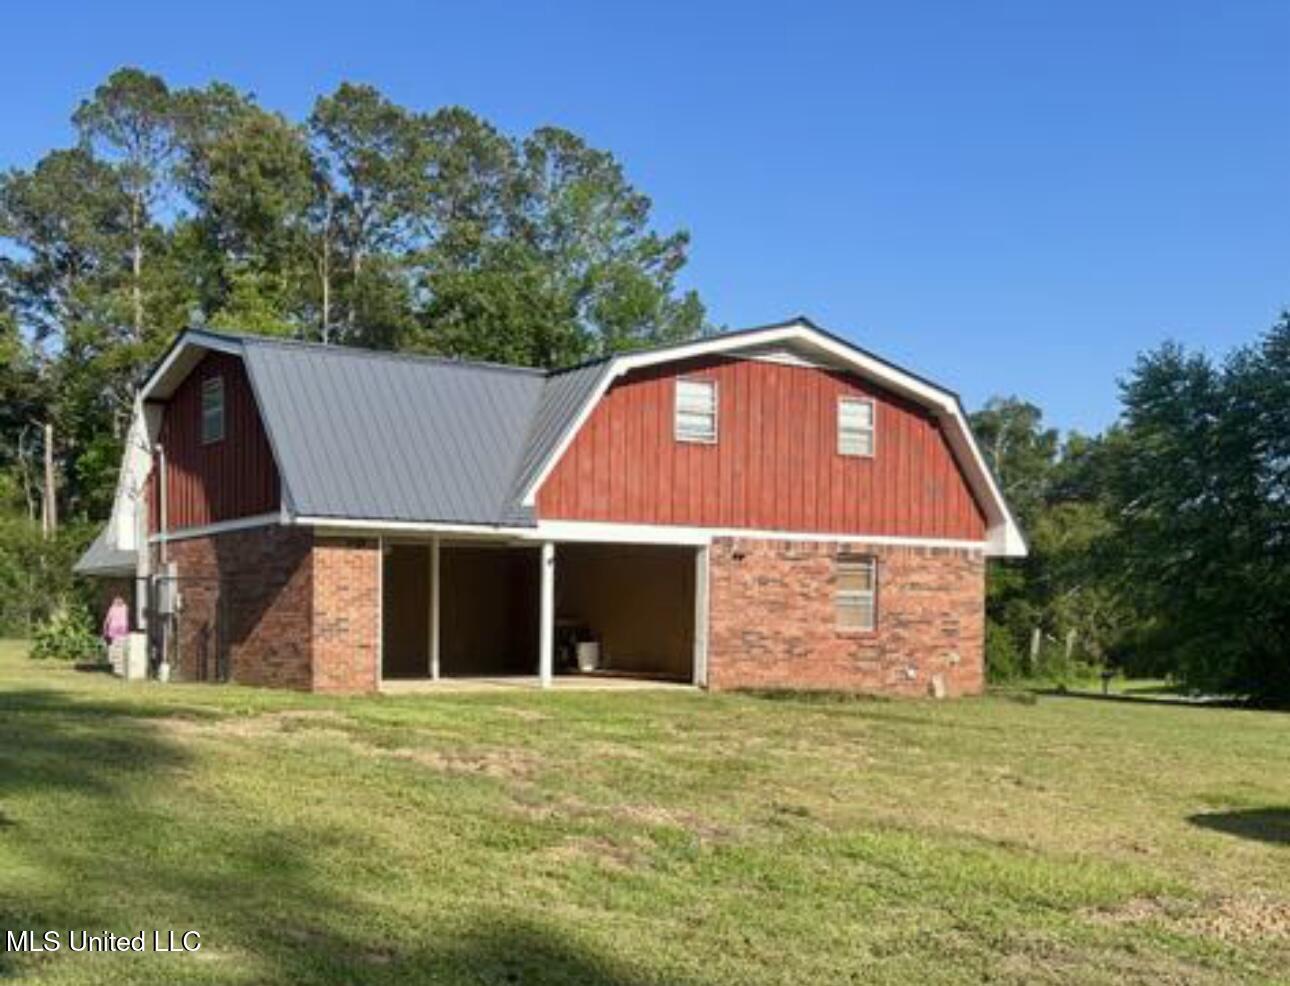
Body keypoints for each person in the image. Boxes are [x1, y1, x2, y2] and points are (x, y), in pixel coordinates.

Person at [102, 595, 130, 671]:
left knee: (114, 647)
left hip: (114, 629)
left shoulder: (112, 608)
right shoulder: (125, 607)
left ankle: (115, 664)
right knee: (121, 646)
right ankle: (120, 663)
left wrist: (104, 629)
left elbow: (108, 619)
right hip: (122, 629)